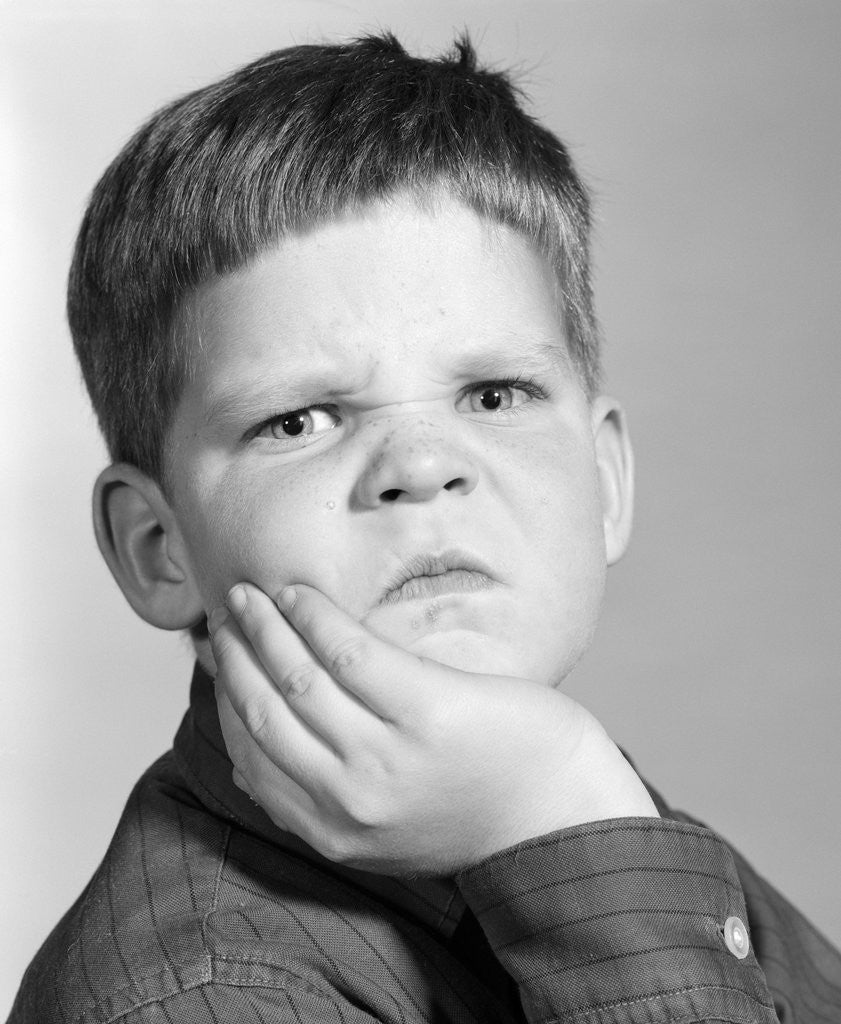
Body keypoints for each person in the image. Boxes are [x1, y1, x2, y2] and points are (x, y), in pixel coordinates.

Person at [8, 31, 841, 1024]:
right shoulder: (208, 999)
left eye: (494, 394)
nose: (422, 465)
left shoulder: (565, 795)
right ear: (158, 547)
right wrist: (558, 806)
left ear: (605, 479)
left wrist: (562, 804)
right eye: (298, 421)